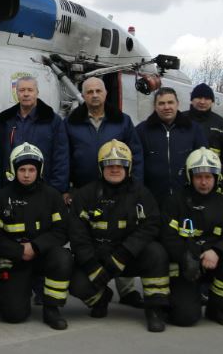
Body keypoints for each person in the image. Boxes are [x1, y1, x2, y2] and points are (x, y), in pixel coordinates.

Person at [68, 140, 170, 332]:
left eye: (120, 165)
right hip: (99, 260)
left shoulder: (141, 194)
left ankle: (155, 308)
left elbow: (151, 225)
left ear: (128, 167)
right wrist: (91, 265)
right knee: (76, 282)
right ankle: (101, 299)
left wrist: (123, 254)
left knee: (156, 253)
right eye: (109, 165)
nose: (115, 169)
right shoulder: (85, 195)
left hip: (129, 258)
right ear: (101, 167)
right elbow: (77, 234)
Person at [0, 143, 73, 330]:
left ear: (39, 170)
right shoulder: (1, 198)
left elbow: (62, 231)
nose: (27, 175)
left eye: (32, 170)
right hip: (14, 258)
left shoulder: (52, 196)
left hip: (44, 256)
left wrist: (35, 247)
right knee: (13, 315)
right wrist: (19, 251)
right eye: (22, 170)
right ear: (14, 170)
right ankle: (15, 291)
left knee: (63, 257)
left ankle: (51, 308)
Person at [162, 147, 223, 327]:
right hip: (186, 267)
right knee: (185, 318)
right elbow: (167, 236)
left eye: (208, 177)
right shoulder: (175, 201)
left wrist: (217, 251)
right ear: (190, 177)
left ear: (216, 178)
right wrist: (187, 256)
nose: (204, 182)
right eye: (199, 177)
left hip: (213, 262)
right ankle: (180, 302)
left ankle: (217, 308)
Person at [65, 77, 143, 199]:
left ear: (106, 93)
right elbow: (63, 158)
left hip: (118, 191)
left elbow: (136, 155)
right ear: (83, 96)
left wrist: (135, 186)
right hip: (82, 190)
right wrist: (64, 189)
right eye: (90, 92)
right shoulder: (70, 123)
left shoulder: (123, 121)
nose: (95, 95)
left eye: (98, 91)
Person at [0, 75, 69, 195]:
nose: (26, 94)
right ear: (16, 93)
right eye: (22, 90)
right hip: (10, 187)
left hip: (43, 188)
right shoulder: (5, 121)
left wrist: (57, 189)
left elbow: (61, 157)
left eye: (30, 90)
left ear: (37, 92)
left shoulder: (53, 121)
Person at [137, 87, 208, 205]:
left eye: (170, 102)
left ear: (177, 104)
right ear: (155, 106)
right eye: (161, 103)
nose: (166, 107)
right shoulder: (141, 130)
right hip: (152, 199)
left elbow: (203, 162)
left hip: (186, 198)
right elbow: (136, 165)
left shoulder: (193, 129)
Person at [183, 83, 223, 189]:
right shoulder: (179, 120)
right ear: (192, 99)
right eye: (199, 97)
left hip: (212, 182)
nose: (202, 101)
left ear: (212, 101)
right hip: (183, 180)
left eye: (206, 98)